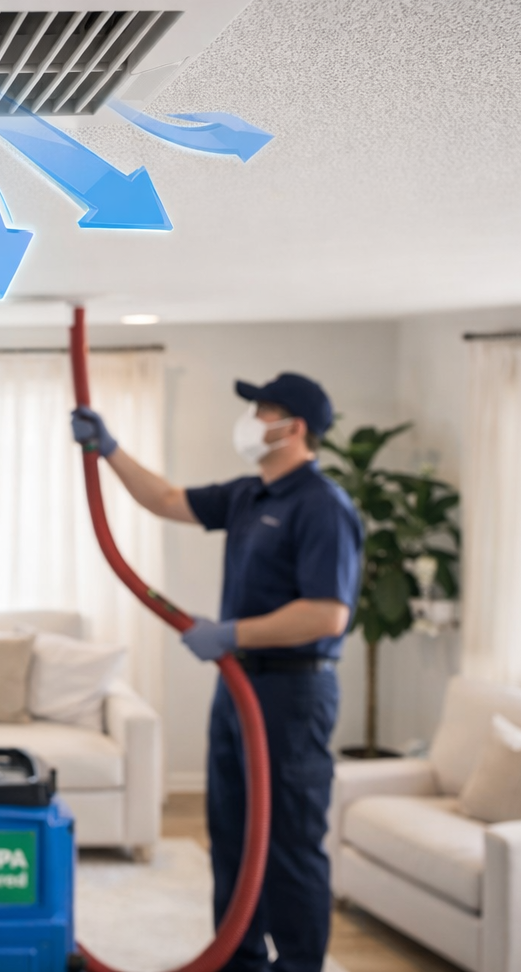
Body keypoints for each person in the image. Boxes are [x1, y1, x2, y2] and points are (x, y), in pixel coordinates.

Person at [72, 373, 362, 972]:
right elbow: (168, 499)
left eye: (262, 410)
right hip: (237, 687)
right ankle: (241, 959)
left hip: (292, 692)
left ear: (295, 427)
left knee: (287, 841)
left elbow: (328, 614)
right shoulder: (251, 494)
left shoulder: (322, 506)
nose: (251, 420)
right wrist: (110, 450)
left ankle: (300, 965)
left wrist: (232, 634)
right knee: (231, 835)